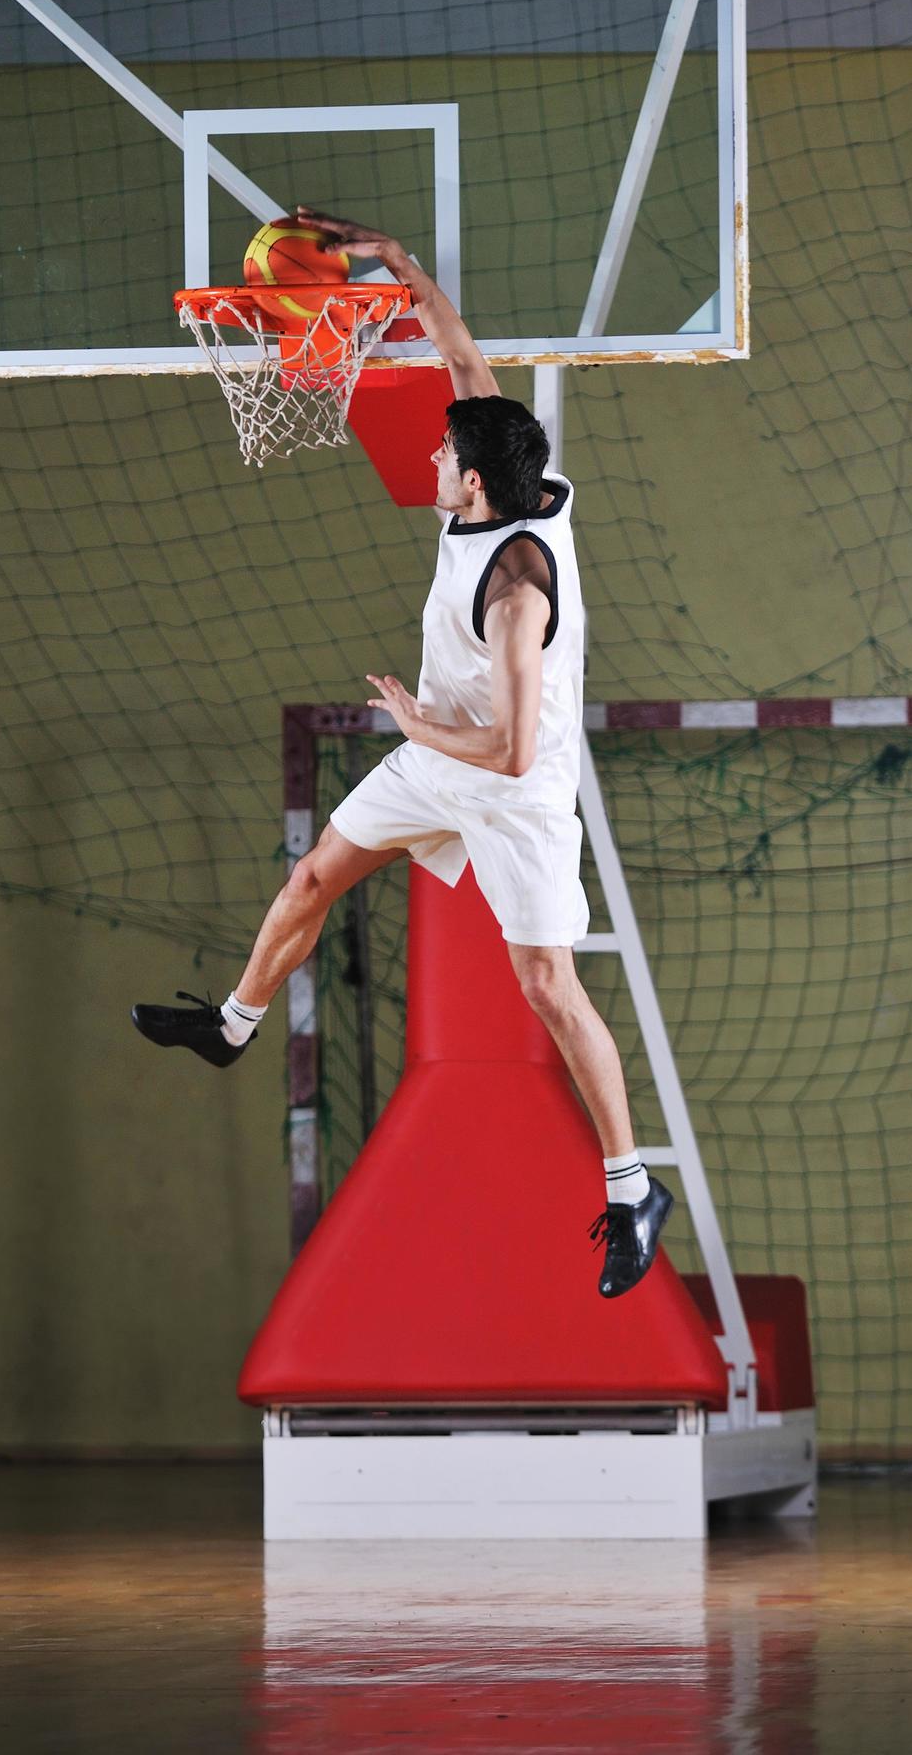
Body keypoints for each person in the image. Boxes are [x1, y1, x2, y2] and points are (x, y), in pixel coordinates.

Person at [133, 208, 673, 1298]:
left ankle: (629, 1191)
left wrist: (418, 725)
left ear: (472, 485)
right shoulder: (506, 469)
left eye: (442, 455)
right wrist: (399, 264)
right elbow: (466, 359)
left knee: (548, 986)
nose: (431, 454)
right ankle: (234, 1025)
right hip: (437, 753)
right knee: (312, 876)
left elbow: (517, 751)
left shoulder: (519, 594)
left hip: (513, 784)